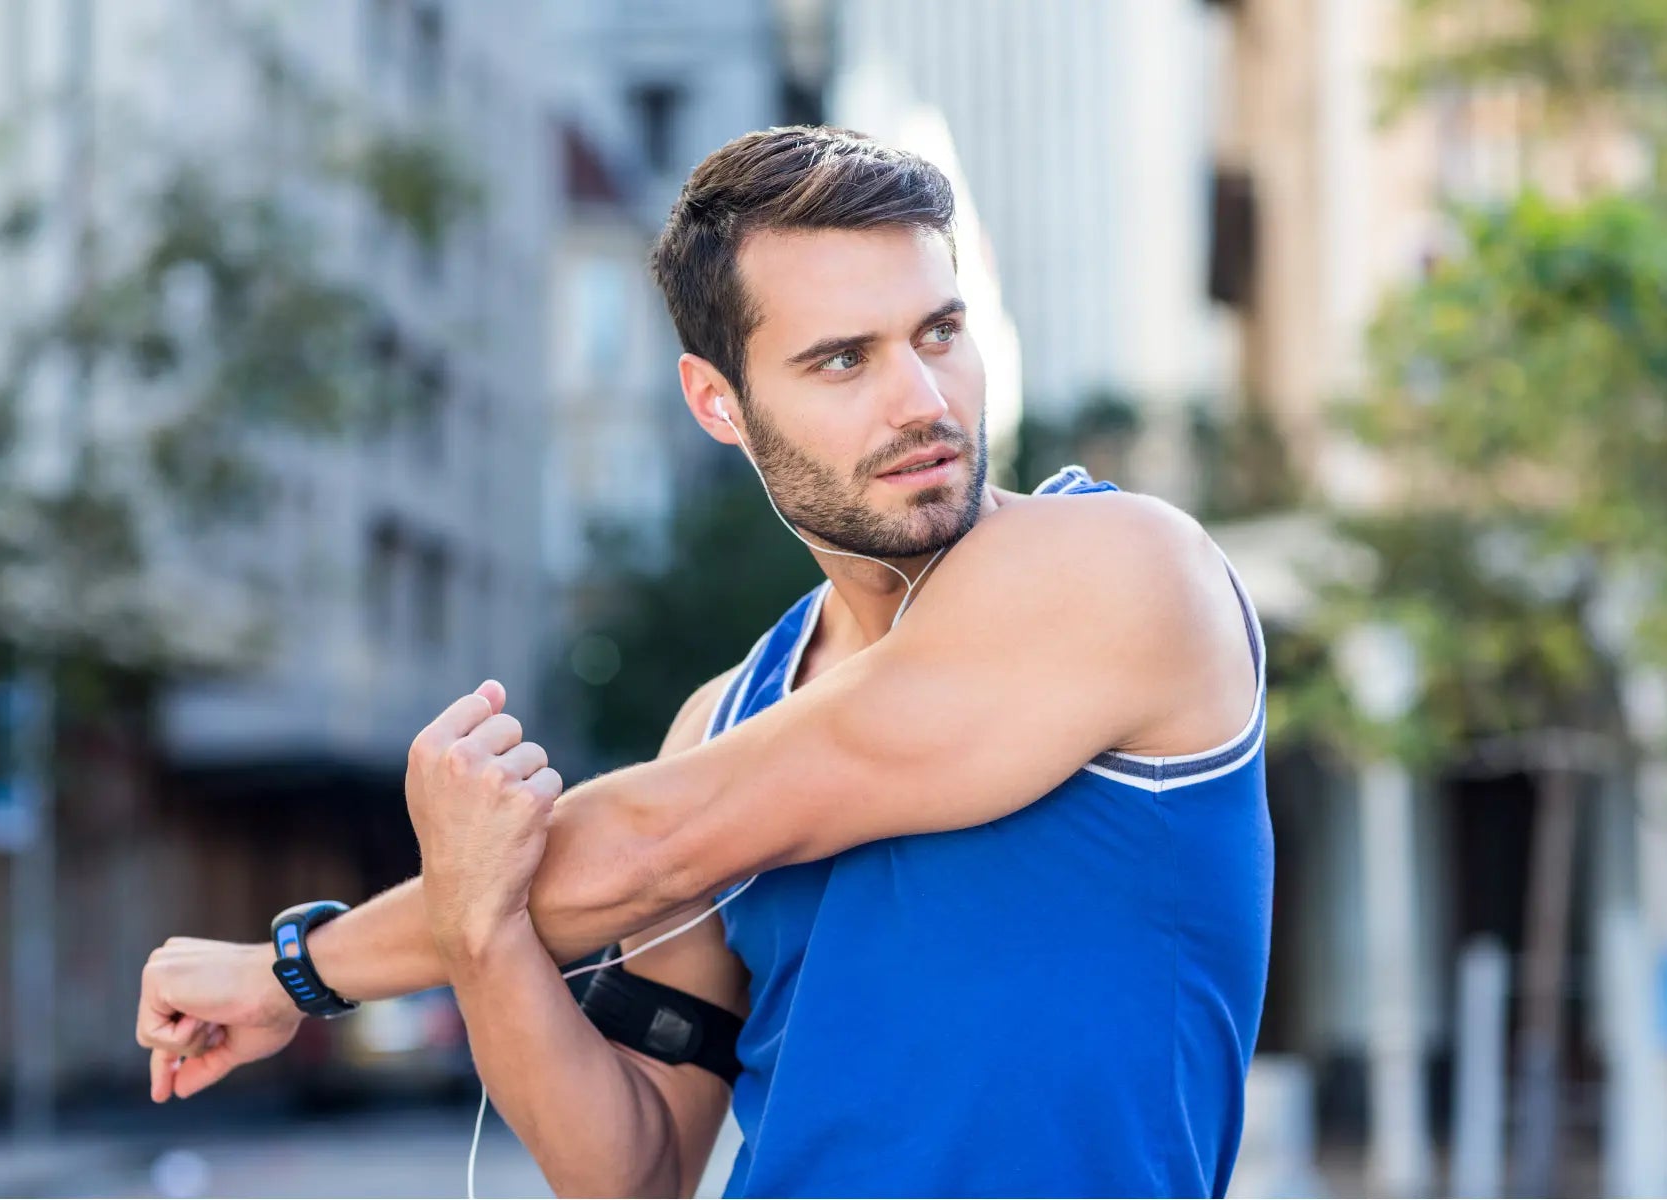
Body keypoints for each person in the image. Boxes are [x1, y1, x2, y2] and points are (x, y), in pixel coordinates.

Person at [136, 126, 1273, 1198]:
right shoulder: (722, 718)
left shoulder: (1125, 573)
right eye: (842, 360)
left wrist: (291, 967)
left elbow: (646, 845)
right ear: (716, 402)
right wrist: (481, 933)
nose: (924, 401)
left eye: (939, 331)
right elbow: (631, 1168)